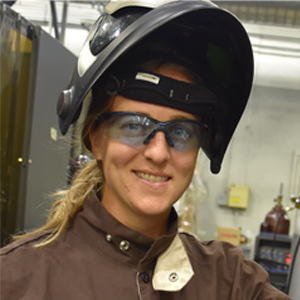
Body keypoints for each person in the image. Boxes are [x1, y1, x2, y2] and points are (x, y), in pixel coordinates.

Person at [0, 1, 292, 299]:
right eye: (134, 126)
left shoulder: (230, 281)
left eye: (180, 131)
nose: (158, 153)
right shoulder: (18, 279)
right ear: (96, 139)